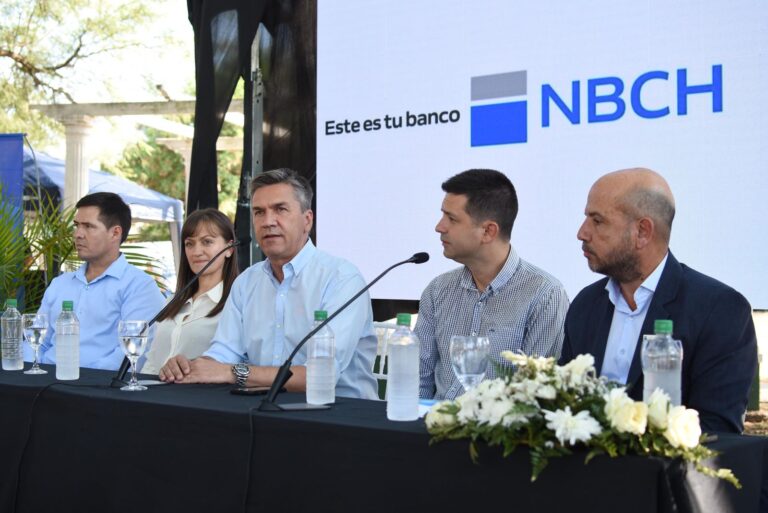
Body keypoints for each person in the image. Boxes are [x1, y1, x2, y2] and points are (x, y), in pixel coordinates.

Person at [560, 168, 757, 433]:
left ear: (642, 232)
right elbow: (564, 407)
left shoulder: (720, 310)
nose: (582, 233)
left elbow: (717, 433)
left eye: (597, 221)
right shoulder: (586, 305)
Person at [159, 168, 378, 400]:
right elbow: (224, 352)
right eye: (259, 212)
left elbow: (319, 376)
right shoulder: (246, 283)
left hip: (339, 415)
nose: (268, 222)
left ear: (307, 220)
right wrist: (190, 367)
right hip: (262, 409)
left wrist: (233, 372)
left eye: (280, 210)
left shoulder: (341, 279)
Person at [415, 169, 569, 400]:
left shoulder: (544, 295)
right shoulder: (438, 291)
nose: (440, 227)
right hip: (433, 429)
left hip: (497, 433)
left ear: (488, 231)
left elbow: (537, 394)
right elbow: (418, 379)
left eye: (452, 219)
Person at [31, 192, 165, 370]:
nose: (78, 234)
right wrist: (29, 373)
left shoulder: (139, 286)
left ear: (115, 233)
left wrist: (82, 381)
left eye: (88, 226)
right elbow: (36, 341)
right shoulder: (60, 284)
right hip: (43, 385)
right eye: (76, 225)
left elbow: (132, 353)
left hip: (99, 390)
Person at [141, 209, 239, 375]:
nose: (196, 251)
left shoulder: (236, 304)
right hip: (153, 395)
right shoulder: (172, 301)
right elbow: (153, 361)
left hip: (199, 397)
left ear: (229, 248)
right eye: (189, 244)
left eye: (207, 242)